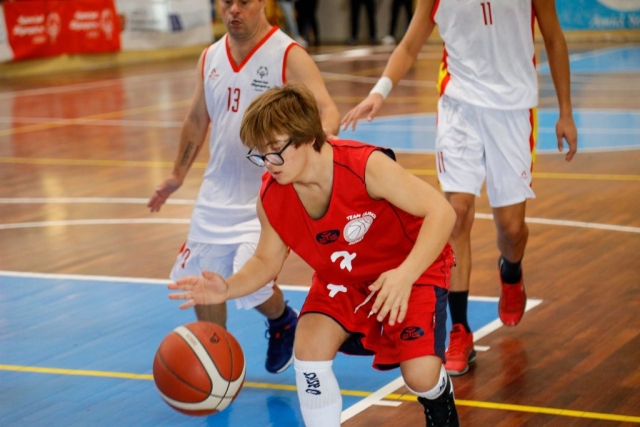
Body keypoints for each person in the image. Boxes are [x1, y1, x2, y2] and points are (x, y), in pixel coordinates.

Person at [168, 84, 460, 426]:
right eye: (260, 153)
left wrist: (405, 274)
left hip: (408, 269)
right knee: (308, 348)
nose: (268, 162)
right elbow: (266, 261)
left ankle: (439, 396)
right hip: (343, 279)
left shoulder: (365, 165)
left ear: (306, 136)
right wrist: (227, 288)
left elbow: (442, 212)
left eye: (275, 150)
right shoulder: (271, 195)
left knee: (421, 377)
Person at [342, 0, 578, 376]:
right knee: (457, 214)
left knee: (511, 229)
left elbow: (553, 37)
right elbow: (410, 45)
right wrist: (379, 91)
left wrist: (565, 111)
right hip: (459, 106)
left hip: (513, 108)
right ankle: (460, 329)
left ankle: (511, 271)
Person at [148, 0, 340, 375]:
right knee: (203, 280)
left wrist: (321, 143)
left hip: (267, 193)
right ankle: (214, 363)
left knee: (249, 279)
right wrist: (177, 176)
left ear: (262, 3)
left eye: (244, 2)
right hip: (216, 192)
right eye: (226, 2)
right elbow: (196, 119)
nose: (234, 10)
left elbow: (326, 108)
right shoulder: (210, 57)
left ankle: (282, 320)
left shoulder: (287, 54)